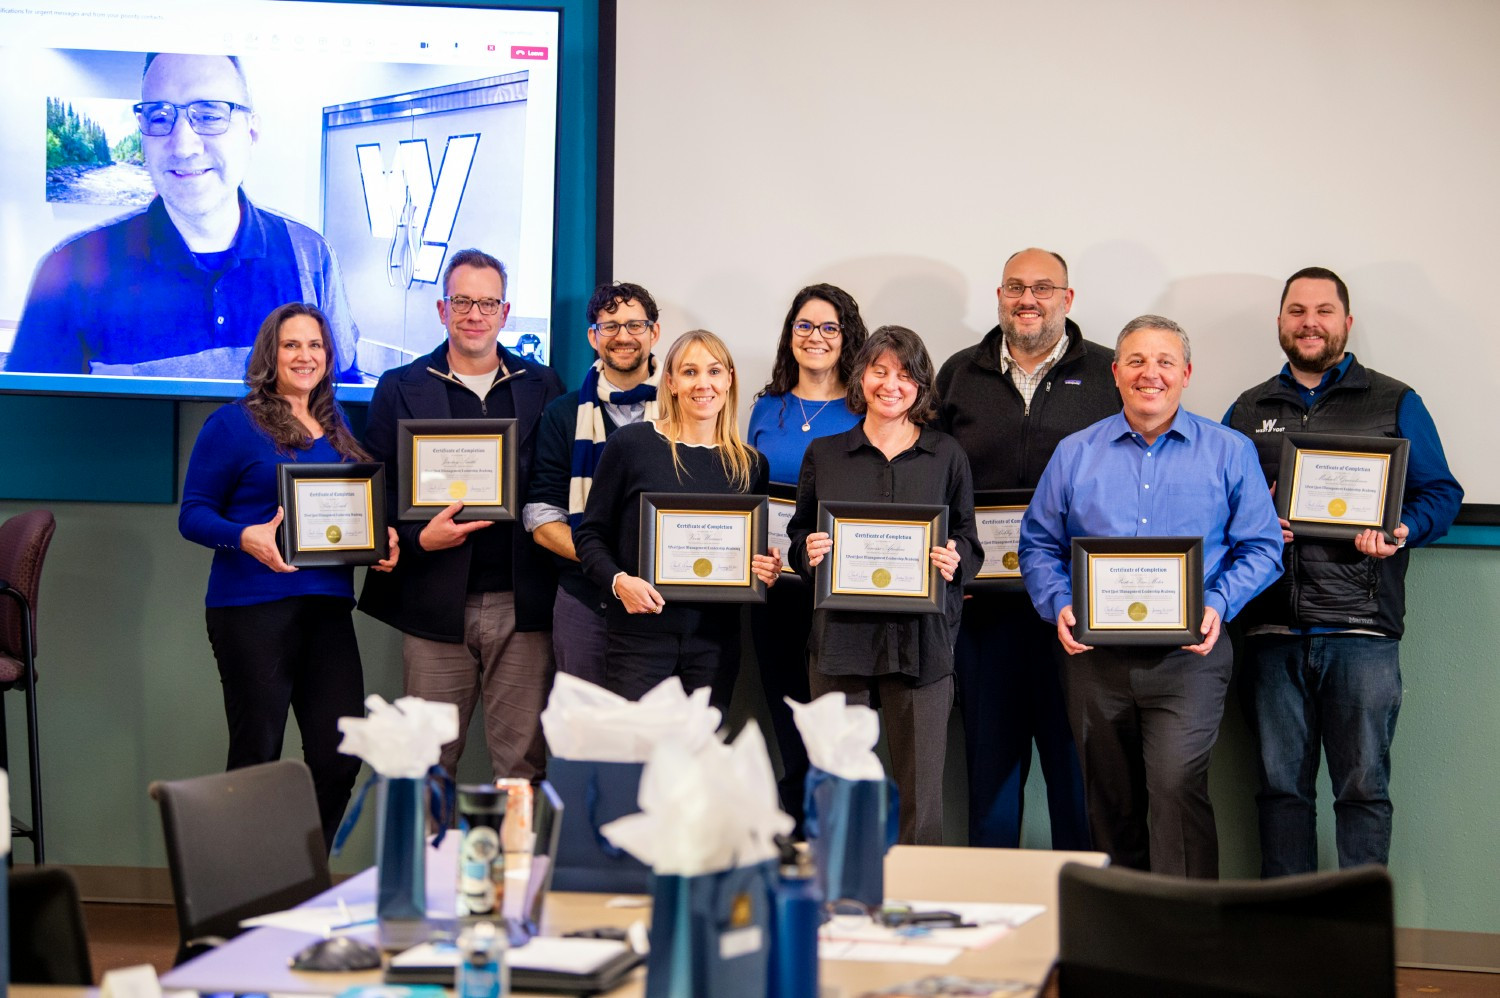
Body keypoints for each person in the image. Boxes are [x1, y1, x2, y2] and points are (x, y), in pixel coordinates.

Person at [1018, 315, 1282, 878]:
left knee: (1175, 789)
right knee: (1108, 804)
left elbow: (1262, 549)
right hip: (1093, 662)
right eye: (1136, 361)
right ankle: (1124, 942)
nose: (1150, 374)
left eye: (1165, 362)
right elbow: (1037, 545)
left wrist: (1218, 604)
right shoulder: (1074, 454)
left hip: (1189, 660)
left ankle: (1186, 945)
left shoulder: (1229, 452)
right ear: (1115, 373)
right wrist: (1058, 602)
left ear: (1186, 374)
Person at [1224, 267, 1462, 876]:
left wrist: (1400, 530)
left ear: (1346, 323)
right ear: (1280, 321)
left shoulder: (1396, 400)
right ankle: (1290, 938)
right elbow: (1216, 506)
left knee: (1362, 792)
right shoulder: (1248, 410)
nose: (1310, 322)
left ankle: (1357, 938)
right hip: (1271, 628)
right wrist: (1251, 523)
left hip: (1363, 630)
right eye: (1297, 310)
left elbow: (1442, 493)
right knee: (1281, 794)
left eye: (1324, 311)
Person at [178, 302, 397, 849]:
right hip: (251, 609)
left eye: (316, 345)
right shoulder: (233, 423)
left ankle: (300, 883)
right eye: (292, 345)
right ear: (269, 354)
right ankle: (241, 897)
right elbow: (193, 513)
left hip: (327, 609)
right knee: (258, 756)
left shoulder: (339, 427)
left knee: (339, 754)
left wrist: (379, 541)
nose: (306, 356)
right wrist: (243, 536)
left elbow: (348, 521)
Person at [9, 53, 359, 380]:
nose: (183, 145)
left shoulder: (312, 257)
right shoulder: (69, 268)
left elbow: (344, 410)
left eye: (209, 116)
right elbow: (31, 427)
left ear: (251, 130)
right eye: (160, 117)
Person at [936, 247, 1118, 850]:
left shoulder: (1109, 374)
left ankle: (1083, 921)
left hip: (1078, 611)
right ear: (999, 296)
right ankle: (990, 926)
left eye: (1043, 288)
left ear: (1068, 299)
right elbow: (932, 474)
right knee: (989, 775)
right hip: (984, 613)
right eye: (1015, 287)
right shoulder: (960, 373)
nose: (1028, 299)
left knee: (1076, 775)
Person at [359, 248, 564, 781]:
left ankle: (513, 868)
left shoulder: (543, 386)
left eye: (487, 302)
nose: (475, 313)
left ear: (506, 311)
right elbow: (374, 489)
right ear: (442, 309)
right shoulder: (399, 386)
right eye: (463, 301)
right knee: (426, 765)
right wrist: (415, 536)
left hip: (524, 604)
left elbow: (558, 484)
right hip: (433, 602)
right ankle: (425, 867)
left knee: (522, 765)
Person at [787, 325, 980, 845]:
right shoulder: (825, 454)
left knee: (922, 801)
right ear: (861, 376)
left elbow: (969, 541)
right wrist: (807, 553)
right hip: (839, 643)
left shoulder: (946, 456)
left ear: (921, 384)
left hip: (922, 645)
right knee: (840, 792)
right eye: (879, 370)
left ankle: (917, 909)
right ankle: (841, 904)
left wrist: (954, 558)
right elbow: (798, 534)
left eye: (905, 373)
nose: (891, 384)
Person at [574, 330, 781, 708]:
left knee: (698, 763)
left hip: (714, 646)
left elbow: (750, 553)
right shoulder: (632, 445)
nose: (703, 384)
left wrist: (764, 567)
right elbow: (590, 536)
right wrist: (619, 583)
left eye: (714, 371)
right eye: (689, 372)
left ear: (729, 379)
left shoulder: (750, 465)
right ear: (670, 381)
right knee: (635, 761)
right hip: (637, 641)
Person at [746, 283, 867, 825]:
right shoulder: (764, 409)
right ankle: (798, 843)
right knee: (788, 718)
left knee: (836, 726)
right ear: (789, 335)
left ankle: (836, 838)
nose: (814, 337)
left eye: (828, 328)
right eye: (804, 326)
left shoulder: (868, 406)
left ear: (847, 338)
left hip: (840, 595)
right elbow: (746, 497)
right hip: (775, 591)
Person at [523, 281, 663, 687]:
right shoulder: (563, 414)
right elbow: (542, 516)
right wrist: (612, 573)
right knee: (587, 737)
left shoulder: (681, 408)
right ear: (592, 336)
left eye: (635, 325)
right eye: (610, 326)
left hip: (661, 603)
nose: (623, 336)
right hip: (585, 601)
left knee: (656, 739)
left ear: (654, 333)